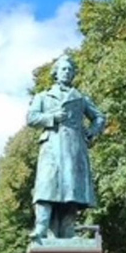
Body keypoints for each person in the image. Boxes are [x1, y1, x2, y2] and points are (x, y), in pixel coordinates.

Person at [26, 54, 106, 239]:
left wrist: (91, 132)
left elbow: (99, 117)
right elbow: (31, 118)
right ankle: (41, 228)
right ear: (56, 73)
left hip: (73, 148)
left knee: (71, 190)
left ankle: (68, 231)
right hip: (51, 146)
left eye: (70, 69)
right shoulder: (43, 96)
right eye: (63, 69)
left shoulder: (81, 98)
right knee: (46, 186)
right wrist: (52, 117)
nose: (67, 72)